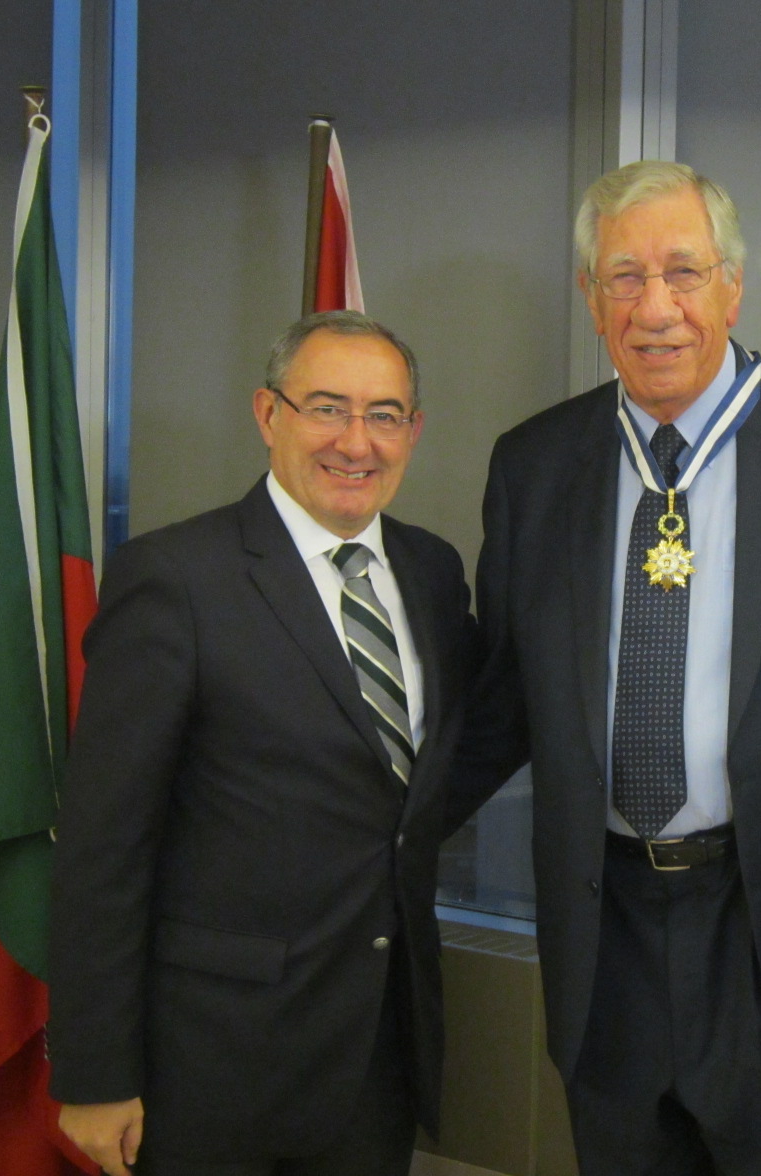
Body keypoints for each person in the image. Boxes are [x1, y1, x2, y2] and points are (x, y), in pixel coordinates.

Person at [447, 160, 761, 1175]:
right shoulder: (533, 467)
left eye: (682, 271)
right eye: (623, 277)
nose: (654, 307)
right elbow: (501, 707)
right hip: (604, 929)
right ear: (588, 296)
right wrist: (365, 831)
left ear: (733, 284)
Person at [48, 311, 478, 1176]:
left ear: (414, 431)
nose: (357, 441)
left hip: (378, 1052)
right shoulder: (176, 580)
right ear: (267, 413)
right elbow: (104, 846)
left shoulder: (433, 573)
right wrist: (95, 1072)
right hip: (215, 1065)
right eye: (327, 407)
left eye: (385, 414)